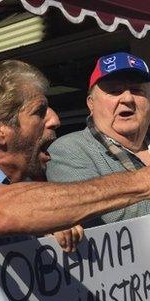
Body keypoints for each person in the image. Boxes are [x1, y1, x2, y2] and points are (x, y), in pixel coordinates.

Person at [0, 59, 150, 255]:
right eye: (39, 112)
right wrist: (142, 181)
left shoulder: (30, 182)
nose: (55, 120)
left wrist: (49, 221)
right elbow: (3, 212)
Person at [47, 52, 150, 227]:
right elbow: (110, 220)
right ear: (91, 104)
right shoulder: (68, 150)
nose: (127, 98)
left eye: (136, 90)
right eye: (114, 91)